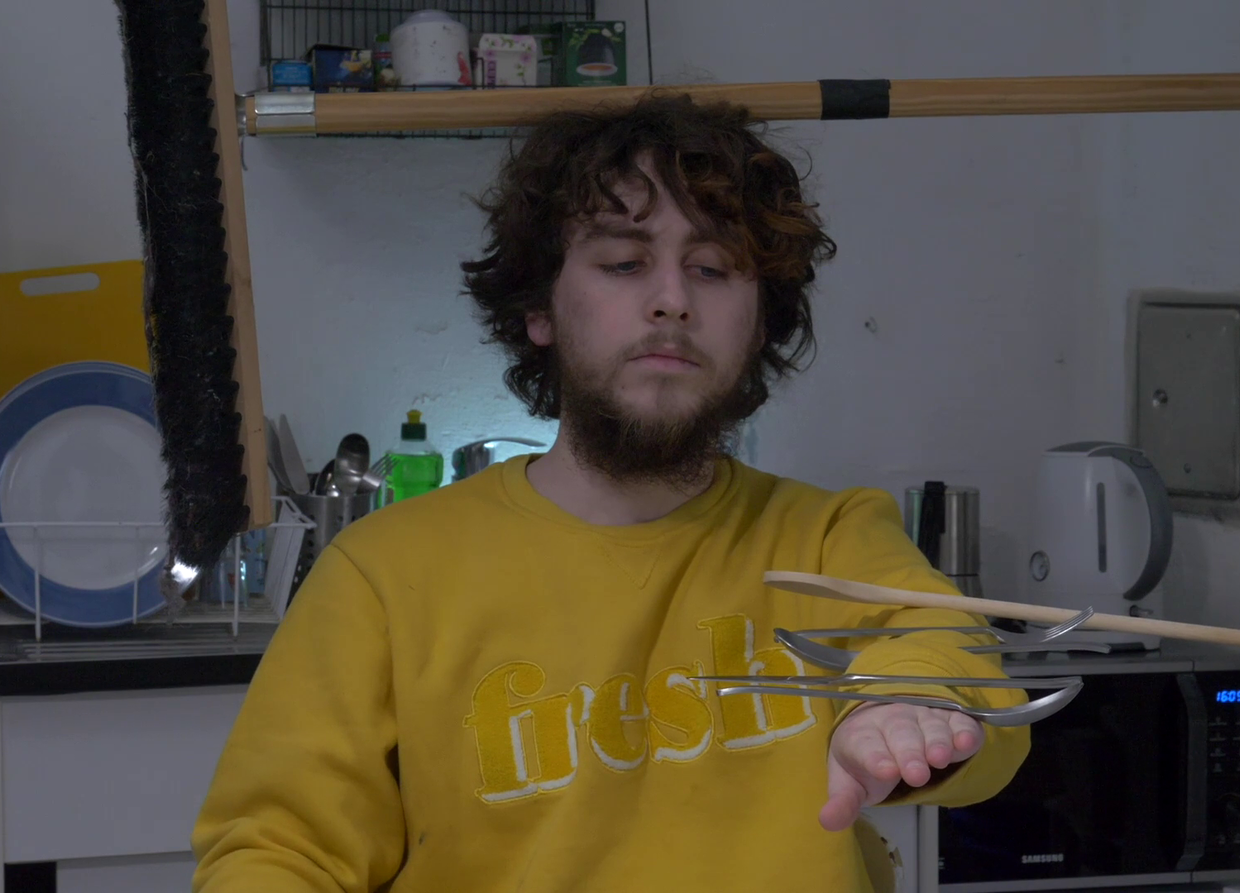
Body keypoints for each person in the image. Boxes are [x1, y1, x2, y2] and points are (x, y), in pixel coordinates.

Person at [191, 94, 1030, 893]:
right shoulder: (381, 573)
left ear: (760, 322)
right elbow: (277, 848)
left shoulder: (829, 538)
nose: (670, 300)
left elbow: (953, 665)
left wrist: (906, 703)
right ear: (541, 308)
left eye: (712, 267)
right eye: (624, 262)